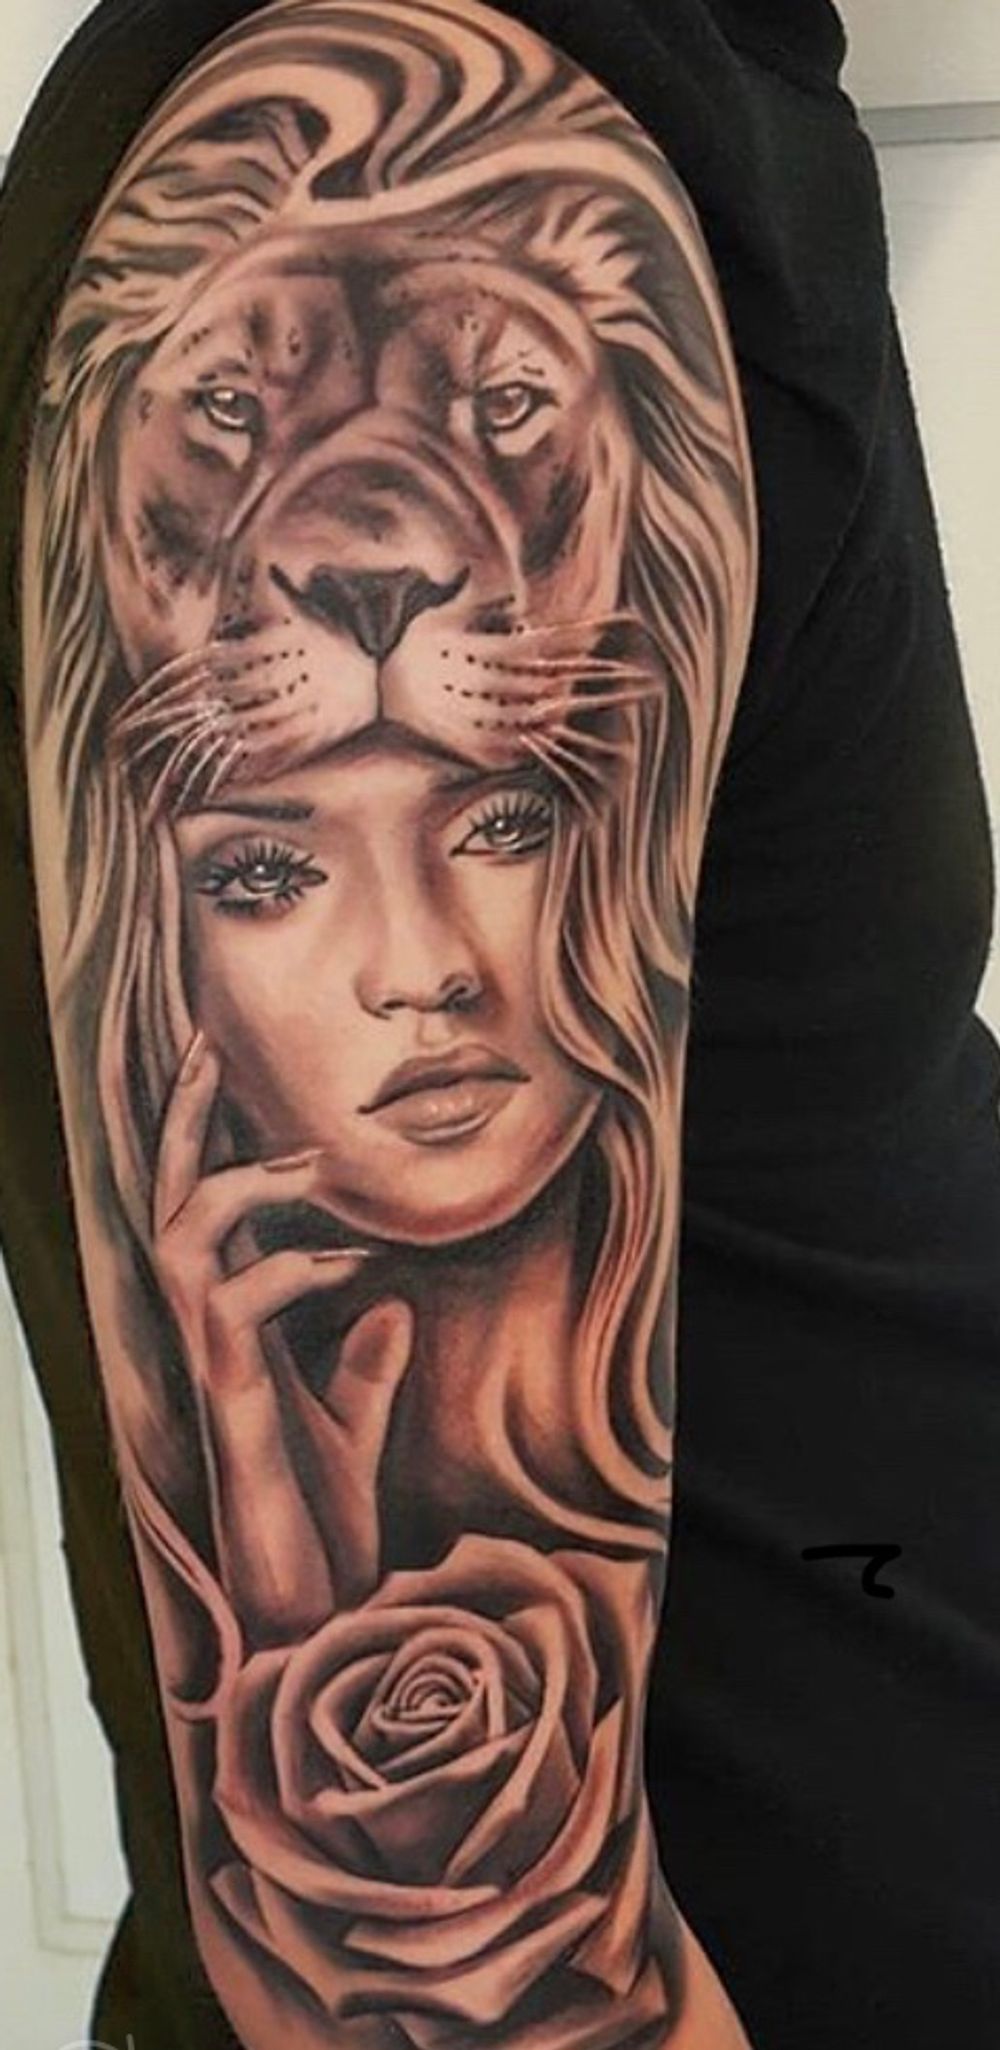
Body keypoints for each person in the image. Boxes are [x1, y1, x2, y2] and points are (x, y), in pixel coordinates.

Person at [1, 3, 998, 2048]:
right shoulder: (419, 168)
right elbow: (475, 2018)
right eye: (273, 866)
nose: (420, 964)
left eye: (504, 823)